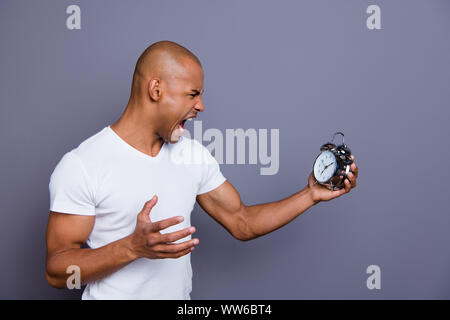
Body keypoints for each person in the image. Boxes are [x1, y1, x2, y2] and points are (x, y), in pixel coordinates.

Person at [45, 41, 359, 300]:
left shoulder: (192, 154)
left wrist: (310, 195)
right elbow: (57, 271)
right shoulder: (82, 165)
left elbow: (242, 222)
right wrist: (132, 247)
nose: (202, 107)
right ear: (156, 89)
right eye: (193, 94)